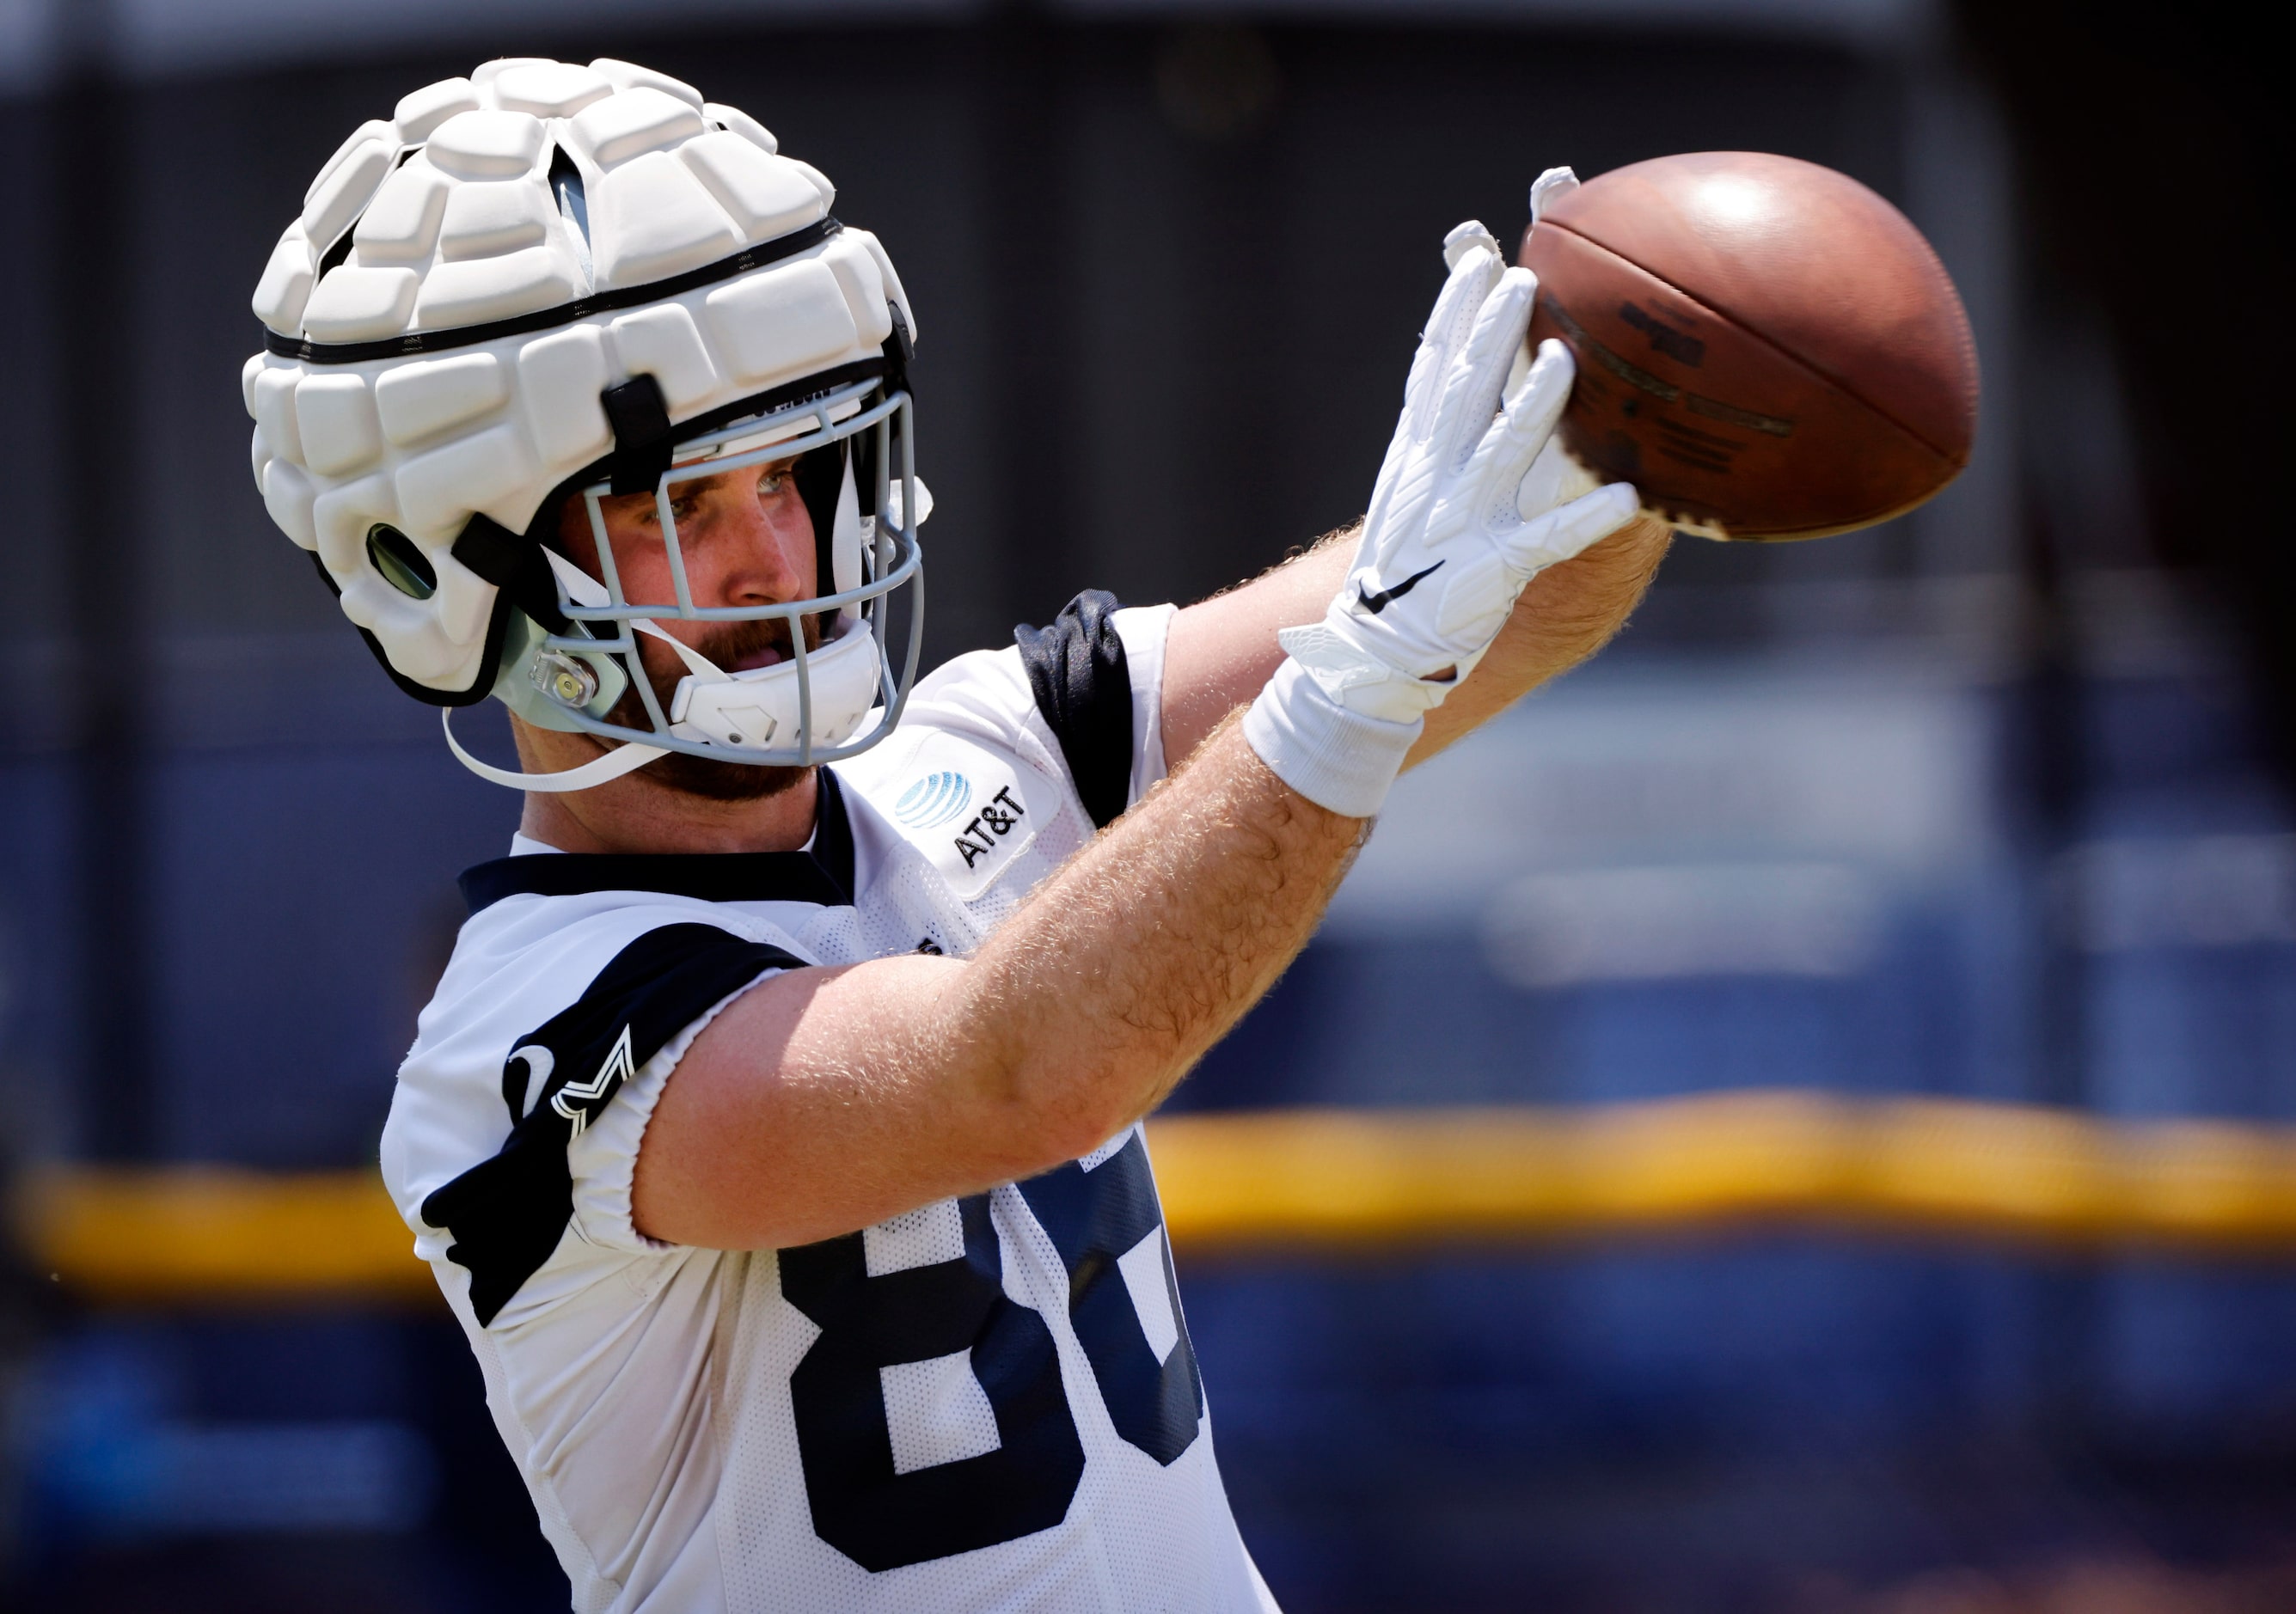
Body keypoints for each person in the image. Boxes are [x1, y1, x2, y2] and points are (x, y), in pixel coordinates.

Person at [247, 57, 1668, 1612]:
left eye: (794, 465)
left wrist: (1637, 430)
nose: (778, 549)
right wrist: (1365, 675)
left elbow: (1503, 611)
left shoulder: (995, 740)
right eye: (677, 507)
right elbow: (1021, 1070)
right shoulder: (521, 1038)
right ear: (451, 568)